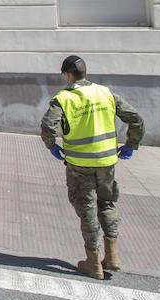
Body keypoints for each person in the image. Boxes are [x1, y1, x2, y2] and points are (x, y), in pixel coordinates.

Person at [41, 55, 145, 279]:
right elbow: (136, 118)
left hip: (80, 164)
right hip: (107, 162)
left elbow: (48, 125)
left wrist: (52, 146)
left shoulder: (64, 98)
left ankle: (93, 261)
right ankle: (113, 255)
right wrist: (131, 144)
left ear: (68, 75)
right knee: (106, 203)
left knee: (87, 208)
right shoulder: (105, 93)